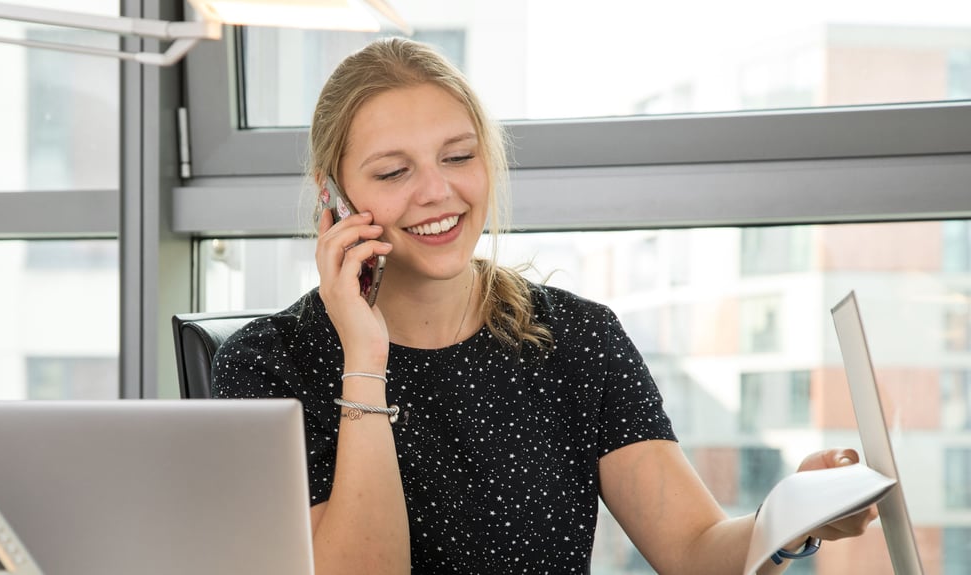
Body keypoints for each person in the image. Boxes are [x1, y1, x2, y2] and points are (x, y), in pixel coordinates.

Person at [212, 37, 876, 575]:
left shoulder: (578, 337)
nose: (437, 191)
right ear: (333, 195)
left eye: (459, 156)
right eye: (393, 172)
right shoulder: (268, 365)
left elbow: (696, 550)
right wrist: (364, 354)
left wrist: (788, 521)